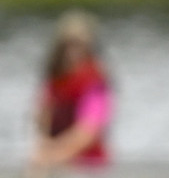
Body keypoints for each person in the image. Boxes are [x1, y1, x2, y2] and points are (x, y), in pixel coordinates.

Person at [31, 11, 112, 169]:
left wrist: (55, 154)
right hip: (55, 160)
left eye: (78, 45)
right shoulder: (54, 80)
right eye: (67, 46)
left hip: (88, 164)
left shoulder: (95, 83)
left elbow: (88, 130)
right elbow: (41, 123)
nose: (72, 52)